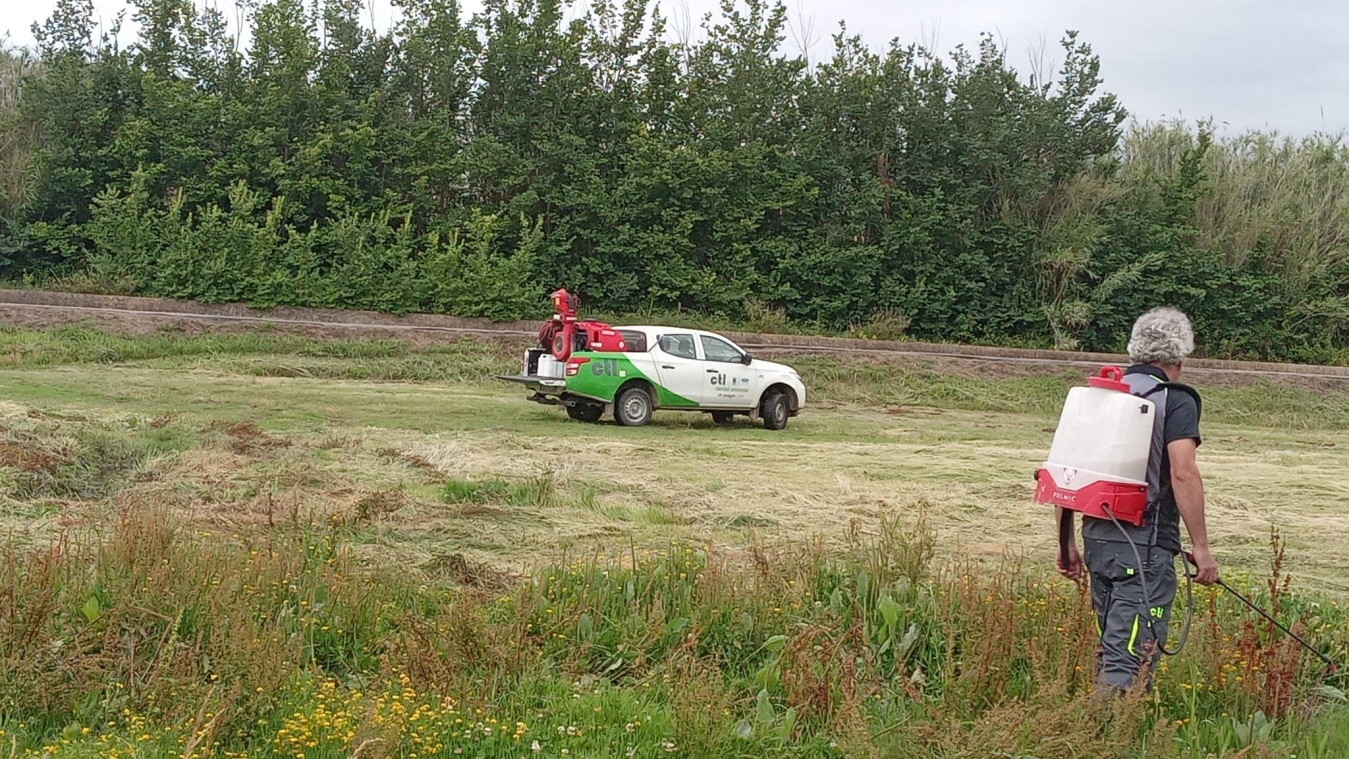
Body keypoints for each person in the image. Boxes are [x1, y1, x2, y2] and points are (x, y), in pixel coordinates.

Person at [1056, 307, 1220, 695]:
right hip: (1145, 546)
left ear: (1134, 350)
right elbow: (1183, 472)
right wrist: (1201, 547)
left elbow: (1067, 471)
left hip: (1098, 541)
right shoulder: (1175, 399)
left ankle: (1104, 731)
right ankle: (1108, 738)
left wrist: (1066, 543)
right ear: (1178, 358)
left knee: (1114, 646)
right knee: (1131, 656)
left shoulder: (1099, 395)